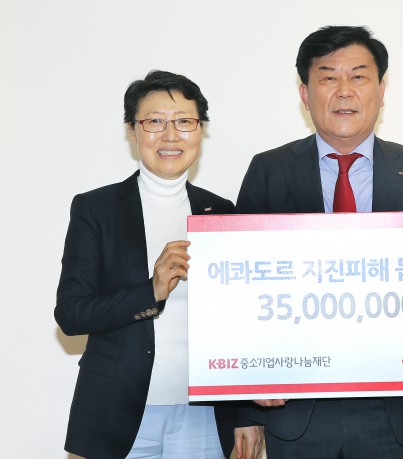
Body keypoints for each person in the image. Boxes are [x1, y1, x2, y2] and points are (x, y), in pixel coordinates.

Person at [226, 26, 403, 459]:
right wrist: (244, 410)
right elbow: (240, 291)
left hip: (394, 407)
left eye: (359, 76)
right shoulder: (268, 171)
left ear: (381, 90)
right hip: (295, 408)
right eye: (328, 77)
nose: (344, 90)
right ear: (304, 93)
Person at [55, 70, 261, 459]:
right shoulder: (96, 209)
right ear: (132, 131)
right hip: (117, 413)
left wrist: (246, 411)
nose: (170, 136)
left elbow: (240, 324)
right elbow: (71, 314)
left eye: (184, 121)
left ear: (200, 130)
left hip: (204, 414)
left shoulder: (221, 212)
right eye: (154, 122)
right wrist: (150, 291)